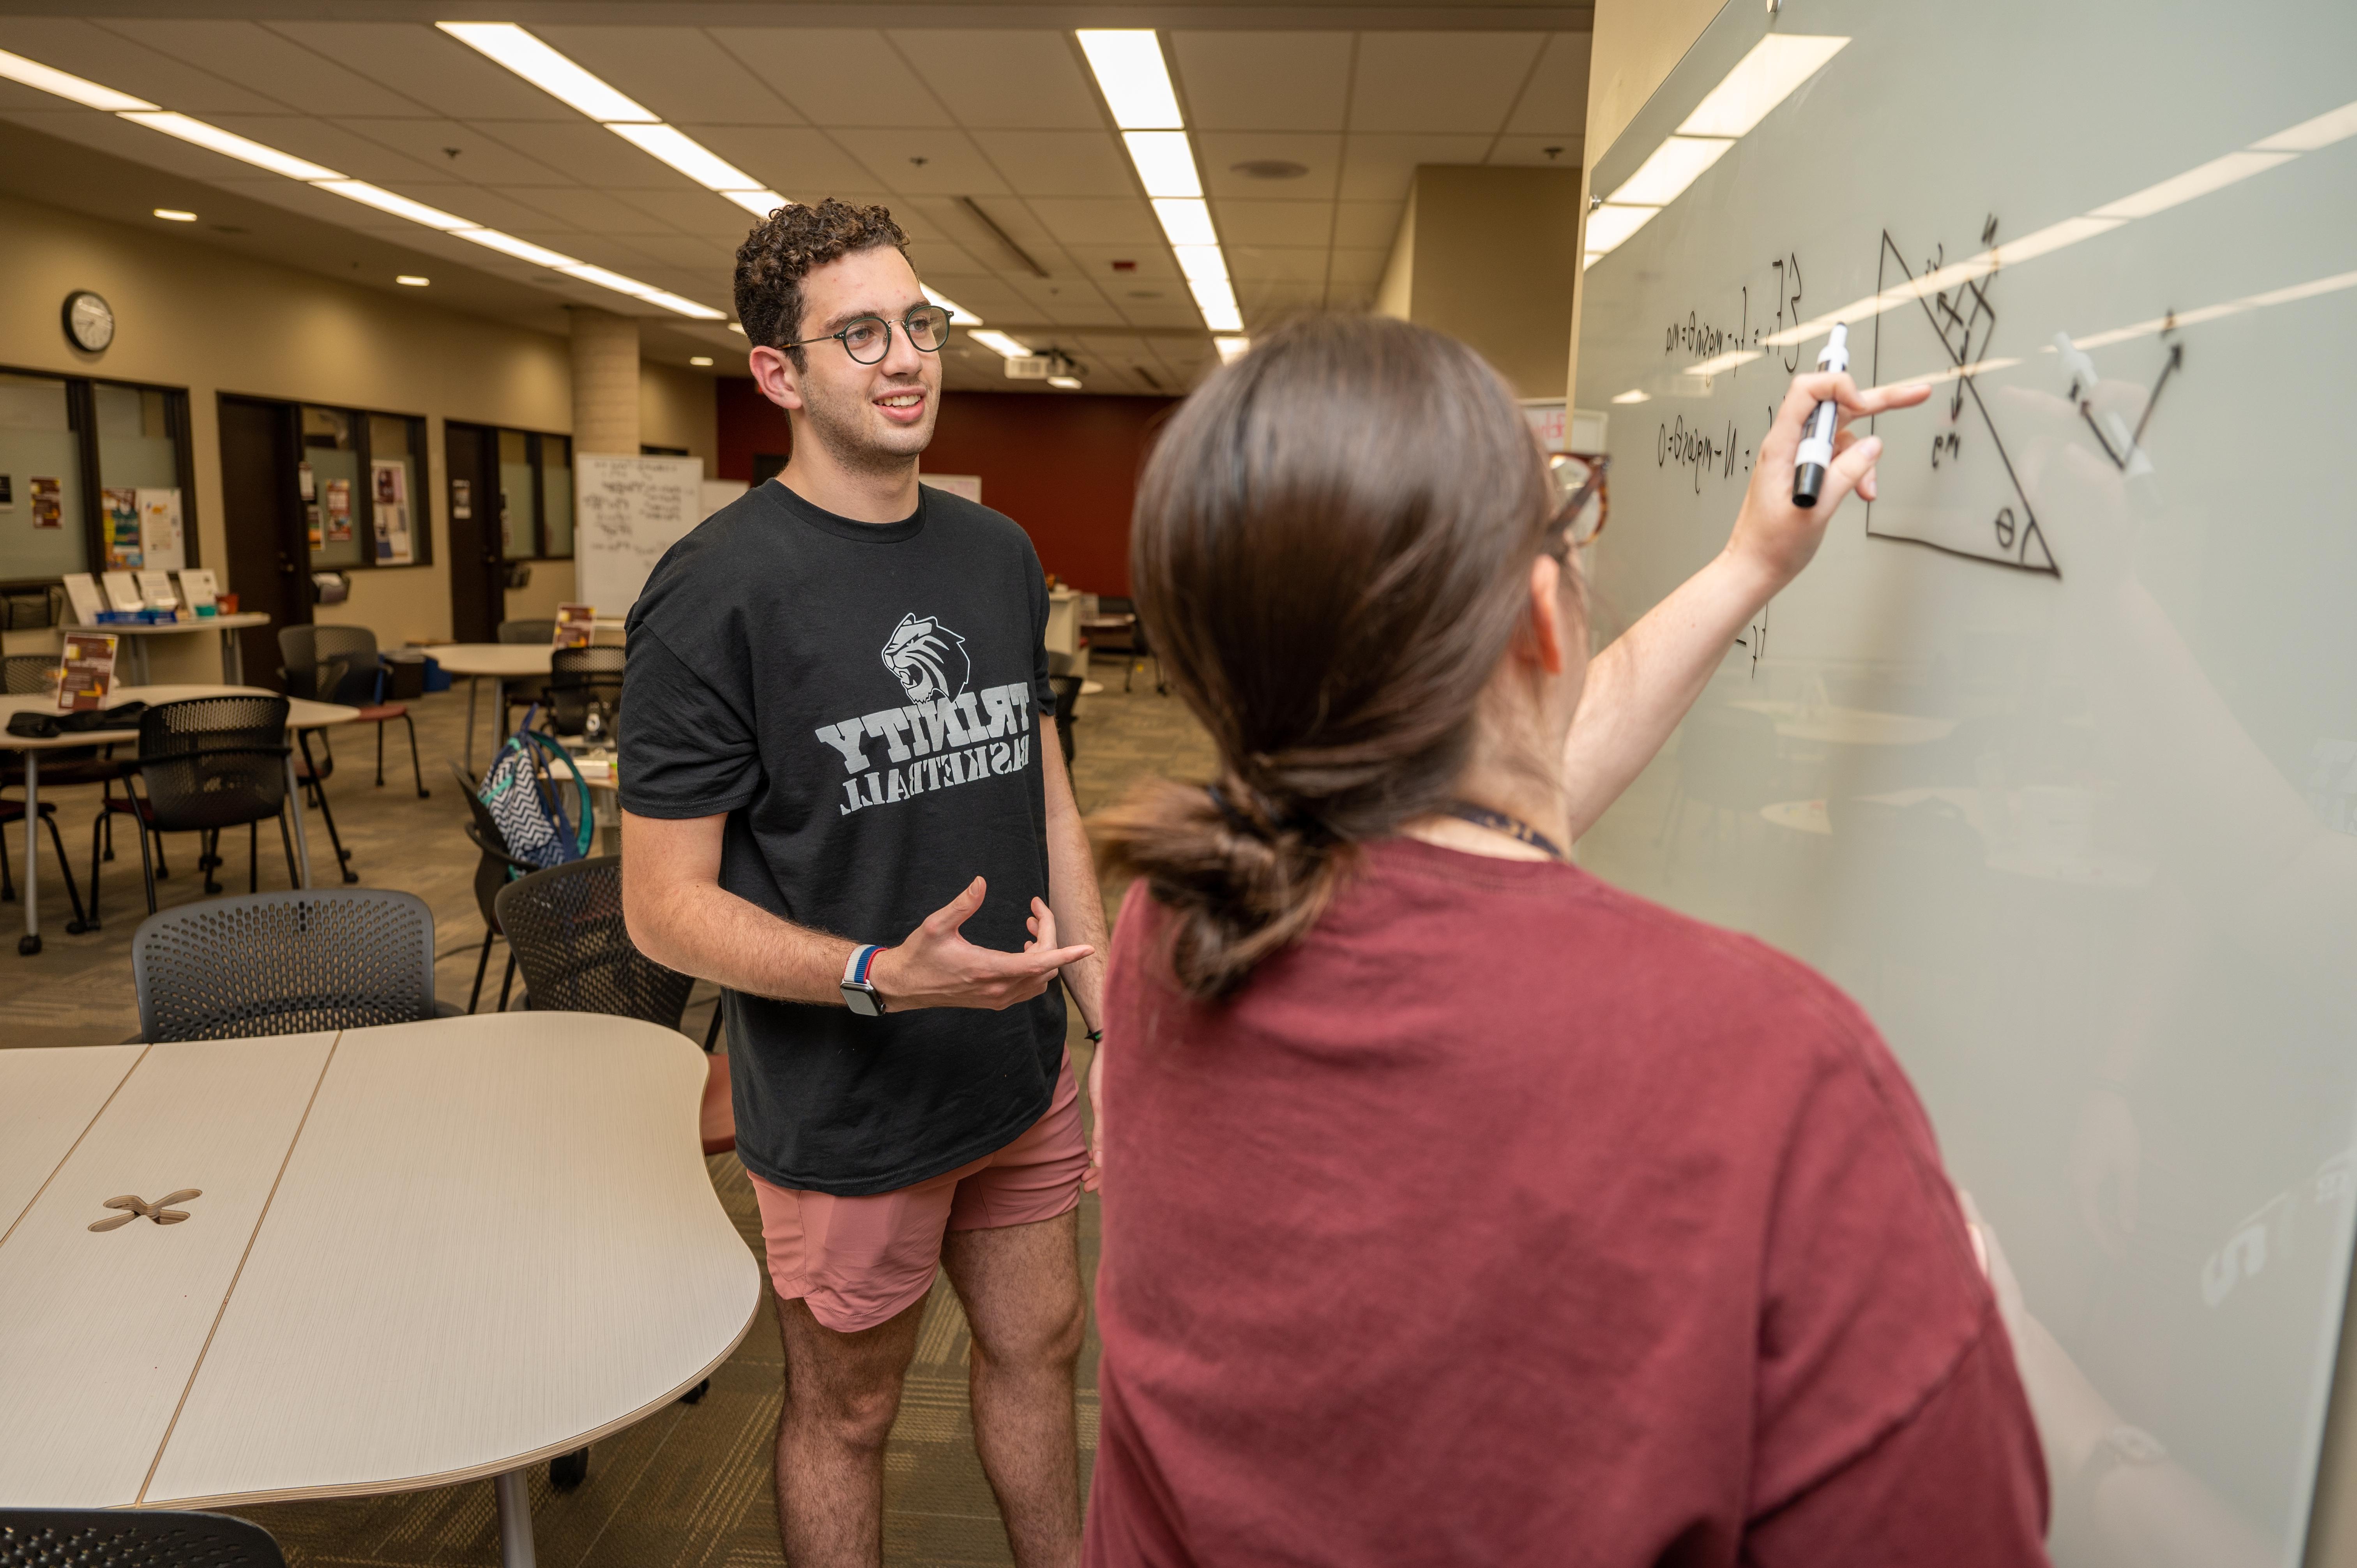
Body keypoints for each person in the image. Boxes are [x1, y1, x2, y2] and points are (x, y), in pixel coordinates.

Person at [1083, 314, 2049, 1566]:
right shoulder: (1769, 1070)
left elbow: (1489, 812)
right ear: (1545, 619)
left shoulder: (1179, 921)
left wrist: (1750, 565)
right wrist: (1967, 1329)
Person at [620, 198, 1109, 1568]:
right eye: (861, 335)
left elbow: (1050, 797)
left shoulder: (997, 554)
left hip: (1016, 1065)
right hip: (850, 1100)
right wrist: (880, 975)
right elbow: (663, 906)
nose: (908, 359)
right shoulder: (712, 591)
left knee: (1042, 1350)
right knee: (853, 1408)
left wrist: (1108, 1014)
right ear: (780, 373)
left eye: (919, 323)